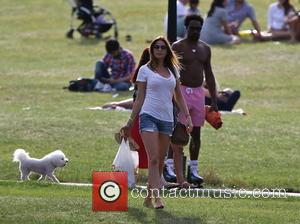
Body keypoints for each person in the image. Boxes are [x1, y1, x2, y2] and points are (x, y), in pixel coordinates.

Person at [120, 36, 193, 209]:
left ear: (167, 50)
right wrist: (130, 122)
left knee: (160, 161)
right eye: (156, 47)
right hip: (148, 116)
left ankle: (148, 195)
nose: (159, 50)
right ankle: (158, 198)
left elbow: (179, 96)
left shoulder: (173, 70)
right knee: (153, 159)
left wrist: (187, 117)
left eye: (162, 47)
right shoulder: (145, 70)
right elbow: (139, 98)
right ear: (152, 50)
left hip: (167, 118)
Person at [170, 14, 218, 187]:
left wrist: (214, 99)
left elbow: (210, 74)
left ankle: (194, 169)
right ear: (186, 28)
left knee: (196, 132)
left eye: (198, 28)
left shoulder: (205, 49)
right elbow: (170, 72)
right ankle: (170, 168)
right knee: (176, 130)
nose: (196, 31)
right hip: (181, 90)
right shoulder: (177, 46)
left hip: (198, 93)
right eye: (192, 28)